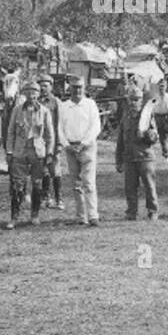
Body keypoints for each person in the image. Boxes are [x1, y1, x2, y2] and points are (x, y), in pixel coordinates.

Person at [5, 79, 55, 229]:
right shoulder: (17, 110)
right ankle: (14, 217)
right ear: (24, 94)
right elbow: (11, 132)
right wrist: (9, 151)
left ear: (39, 94)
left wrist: (50, 152)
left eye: (35, 93)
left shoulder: (44, 111)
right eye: (29, 93)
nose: (32, 96)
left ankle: (35, 214)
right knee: (17, 186)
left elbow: (50, 134)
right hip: (20, 151)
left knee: (37, 184)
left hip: (37, 153)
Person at [60, 77, 101, 226]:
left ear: (84, 88)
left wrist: (84, 144)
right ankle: (81, 216)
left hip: (87, 147)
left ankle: (93, 215)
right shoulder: (64, 106)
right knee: (76, 184)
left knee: (89, 182)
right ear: (69, 89)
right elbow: (59, 128)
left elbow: (95, 126)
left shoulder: (90, 105)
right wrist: (66, 145)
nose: (77, 90)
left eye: (80, 87)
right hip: (70, 148)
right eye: (74, 87)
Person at [116, 83, 160, 221]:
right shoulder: (126, 116)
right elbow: (120, 141)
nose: (133, 102)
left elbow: (155, 138)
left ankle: (152, 211)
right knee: (130, 188)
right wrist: (119, 160)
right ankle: (131, 212)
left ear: (142, 100)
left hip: (145, 157)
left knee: (149, 186)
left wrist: (146, 134)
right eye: (131, 99)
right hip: (129, 157)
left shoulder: (147, 116)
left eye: (137, 99)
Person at [36, 73, 64, 209]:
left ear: (51, 87)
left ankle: (59, 199)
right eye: (40, 86)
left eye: (45, 86)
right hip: (40, 142)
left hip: (53, 141)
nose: (43, 89)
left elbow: (60, 124)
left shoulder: (56, 102)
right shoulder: (36, 102)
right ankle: (45, 197)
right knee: (43, 171)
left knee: (55, 170)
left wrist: (59, 144)